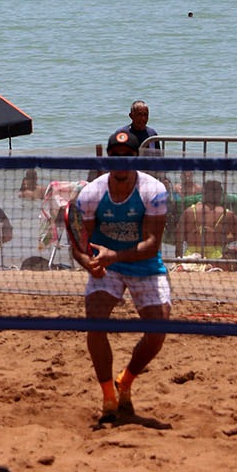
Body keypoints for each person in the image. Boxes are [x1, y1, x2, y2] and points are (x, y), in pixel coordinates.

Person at [71, 130, 172, 425]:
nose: (121, 163)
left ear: (135, 159)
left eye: (127, 158)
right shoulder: (91, 193)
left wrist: (114, 255)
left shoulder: (153, 190)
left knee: (158, 331)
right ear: (108, 160)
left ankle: (124, 381)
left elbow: (153, 243)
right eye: (115, 157)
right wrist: (89, 263)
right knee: (95, 322)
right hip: (108, 266)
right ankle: (108, 397)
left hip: (144, 264)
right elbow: (78, 246)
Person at [175, 179, 237, 263]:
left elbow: (178, 240)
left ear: (204, 193)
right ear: (219, 194)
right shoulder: (228, 214)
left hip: (191, 256)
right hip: (216, 258)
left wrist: (177, 261)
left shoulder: (189, 212)